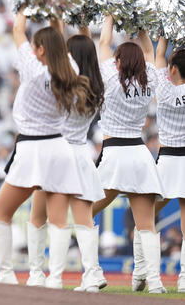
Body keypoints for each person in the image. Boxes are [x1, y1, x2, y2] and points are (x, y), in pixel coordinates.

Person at [0, 7, 90, 288]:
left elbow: (17, 30)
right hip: (59, 147)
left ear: (41, 50)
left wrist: (24, 3)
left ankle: (6, 274)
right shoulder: (71, 68)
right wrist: (55, 11)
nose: (32, 51)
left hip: (32, 148)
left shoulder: (33, 69)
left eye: (36, 47)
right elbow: (57, 39)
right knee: (59, 221)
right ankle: (55, 279)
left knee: (1, 213)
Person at [27, 20, 106, 292]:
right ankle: (93, 274)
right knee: (83, 219)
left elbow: (55, 56)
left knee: (39, 216)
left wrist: (57, 23)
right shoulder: (96, 86)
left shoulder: (65, 85)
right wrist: (81, 26)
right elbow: (91, 50)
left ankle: (42, 275)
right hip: (82, 154)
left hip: (56, 152)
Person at [92, 16, 166, 294]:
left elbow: (103, 42)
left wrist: (110, 17)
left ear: (120, 61)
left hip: (114, 155)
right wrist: (142, 25)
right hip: (140, 154)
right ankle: (155, 283)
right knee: (146, 225)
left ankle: (93, 273)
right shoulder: (150, 81)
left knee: (85, 212)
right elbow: (150, 52)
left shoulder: (111, 77)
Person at [153, 38, 185, 293]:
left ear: (173, 70)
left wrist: (163, 35)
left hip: (166, 160)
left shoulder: (163, 91)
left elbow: (159, 56)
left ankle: (146, 274)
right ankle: (184, 278)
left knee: (145, 216)